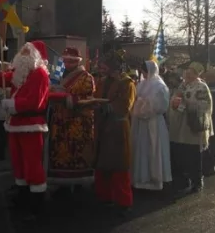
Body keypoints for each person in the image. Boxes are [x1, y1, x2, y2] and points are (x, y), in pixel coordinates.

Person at [2, 41, 51, 220]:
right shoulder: (21, 73)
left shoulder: (39, 74)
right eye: (21, 52)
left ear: (34, 56)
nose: (22, 55)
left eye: (26, 52)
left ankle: (37, 203)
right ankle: (22, 196)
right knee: (18, 162)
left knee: (32, 164)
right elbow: (4, 78)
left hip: (31, 123)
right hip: (15, 123)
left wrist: (12, 104)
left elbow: (34, 102)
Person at [46, 47, 97, 187]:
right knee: (58, 150)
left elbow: (88, 99)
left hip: (77, 122)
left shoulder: (86, 77)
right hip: (59, 119)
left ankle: (79, 182)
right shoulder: (57, 75)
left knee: (76, 151)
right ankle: (60, 182)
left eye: (70, 62)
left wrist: (68, 97)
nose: (67, 64)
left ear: (77, 62)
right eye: (65, 61)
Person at [94, 51, 136, 213]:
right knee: (102, 164)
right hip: (103, 127)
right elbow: (96, 96)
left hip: (118, 129)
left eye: (105, 66)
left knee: (119, 166)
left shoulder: (127, 83)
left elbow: (125, 106)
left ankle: (123, 202)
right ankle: (105, 197)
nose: (102, 69)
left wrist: (107, 106)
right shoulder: (103, 82)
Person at [168, 63, 213, 194]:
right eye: (187, 71)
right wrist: (174, 103)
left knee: (194, 155)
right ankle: (184, 179)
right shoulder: (182, 85)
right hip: (180, 127)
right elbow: (174, 99)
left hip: (193, 127)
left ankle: (197, 181)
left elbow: (203, 106)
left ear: (196, 74)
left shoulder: (201, 87)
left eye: (191, 72)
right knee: (182, 154)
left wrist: (182, 104)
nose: (187, 74)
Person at [131, 60, 172, 191]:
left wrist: (142, 106)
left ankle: (155, 178)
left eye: (144, 71)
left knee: (153, 148)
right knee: (141, 148)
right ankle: (140, 178)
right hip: (140, 123)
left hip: (153, 122)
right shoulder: (141, 84)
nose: (143, 73)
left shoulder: (159, 86)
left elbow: (160, 105)